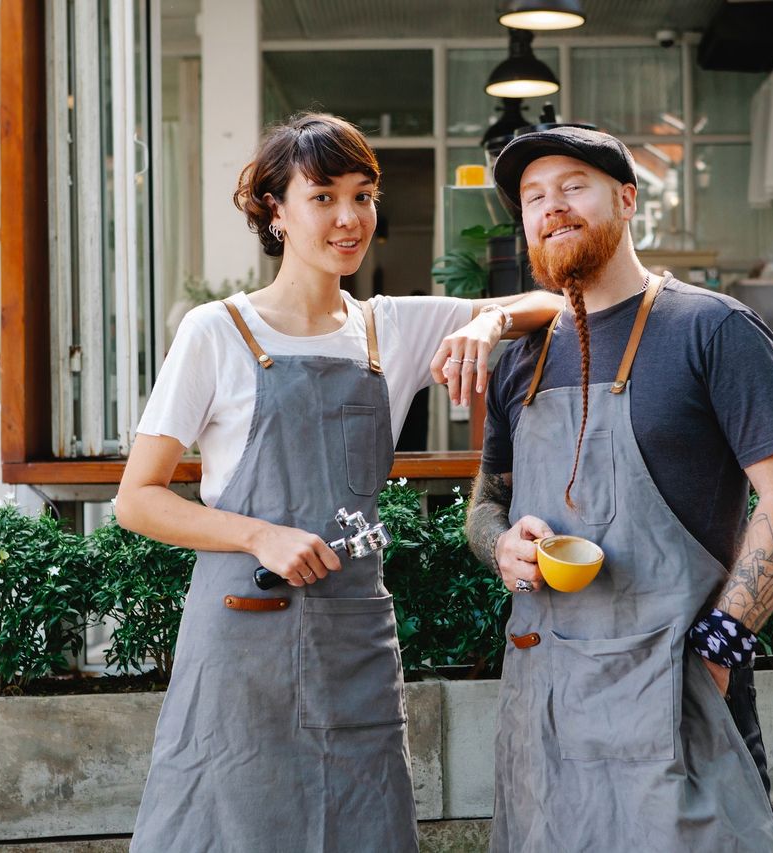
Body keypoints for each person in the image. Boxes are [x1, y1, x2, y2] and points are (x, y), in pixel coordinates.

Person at [115, 112, 562, 853]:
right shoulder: (216, 332)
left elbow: (547, 306)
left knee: (362, 821)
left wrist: (485, 326)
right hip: (243, 628)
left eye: (363, 194)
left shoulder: (391, 327)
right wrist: (259, 531)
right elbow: (138, 498)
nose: (350, 218)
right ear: (275, 210)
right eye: (323, 196)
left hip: (353, 630)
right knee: (233, 822)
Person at [465, 126, 773, 851]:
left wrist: (722, 646)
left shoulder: (712, 330)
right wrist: (497, 544)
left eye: (573, 186)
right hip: (547, 702)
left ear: (627, 198)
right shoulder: (519, 360)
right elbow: (484, 503)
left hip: (673, 694)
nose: (551, 207)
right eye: (534, 197)